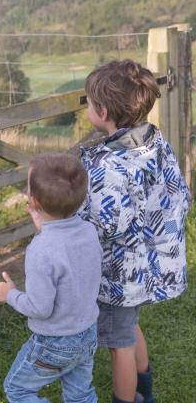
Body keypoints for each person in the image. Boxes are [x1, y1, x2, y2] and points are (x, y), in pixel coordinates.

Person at [78, 60, 190, 403]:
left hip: (121, 275)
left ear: (103, 110)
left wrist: (73, 219)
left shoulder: (107, 165)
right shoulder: (156, 142)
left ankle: (126, 399)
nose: (85, 106)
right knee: (129, 327)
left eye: (87, 101)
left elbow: (104, 222)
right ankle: (145, 390)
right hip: (152, 267)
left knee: (118, 344)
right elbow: (181, 194)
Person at [0, 153, 102, 403]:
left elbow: (40, 308)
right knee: (81, 394)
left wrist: (9, 294)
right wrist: (46, 228)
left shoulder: (41, 250)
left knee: (17, 389)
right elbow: (71, 258)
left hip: (55, 342)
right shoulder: (88, 230)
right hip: (87, 333)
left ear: (33, 201)